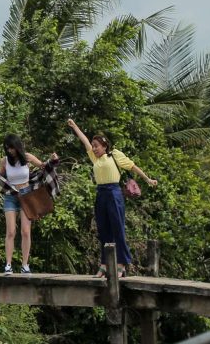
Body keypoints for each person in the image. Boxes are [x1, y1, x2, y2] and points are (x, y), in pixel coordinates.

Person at [66, 118, 158, 278]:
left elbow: (132, 166)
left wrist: (147, 179)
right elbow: (85, 140)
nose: (94, 149)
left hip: (114, 192)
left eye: (97, 146)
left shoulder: (114, 155)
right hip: (101, 193)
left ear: (104, 146)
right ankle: (104, 264)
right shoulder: (95, 158)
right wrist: (75, 126)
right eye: (93, 146)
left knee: (118, 228)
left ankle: (121, 264)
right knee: (103, 230)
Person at [0, 134, 51, 274]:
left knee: (26, 232)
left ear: (17, 146)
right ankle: (8, 264)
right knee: (10, 231)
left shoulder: (27, 158)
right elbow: (0, 177)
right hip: (11, 196)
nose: (10, 151)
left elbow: (43, 166)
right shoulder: (5, 161)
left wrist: (53, 160)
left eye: (12, 148)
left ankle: (25, 264)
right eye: (7, 149)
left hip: (26, 195)